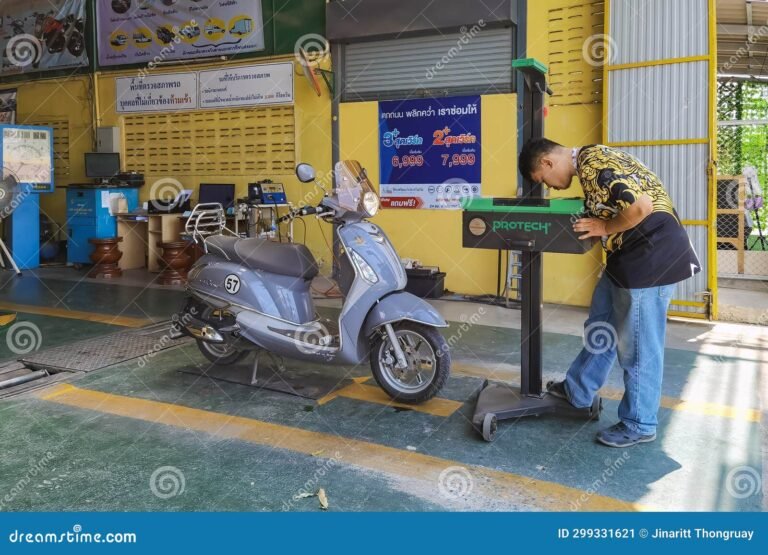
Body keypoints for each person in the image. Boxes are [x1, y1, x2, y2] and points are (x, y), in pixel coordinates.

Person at [518, 139, 701, 447]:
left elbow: (640, 207)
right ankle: (578, 390)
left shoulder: (595, 167)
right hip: (626, 257)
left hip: (651, 258)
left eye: (543, 181)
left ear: (547, 163)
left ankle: (640, 423)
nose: (551, 187)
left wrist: (604, 228)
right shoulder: (592, 158)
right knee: (601, 325)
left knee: (638, 344)